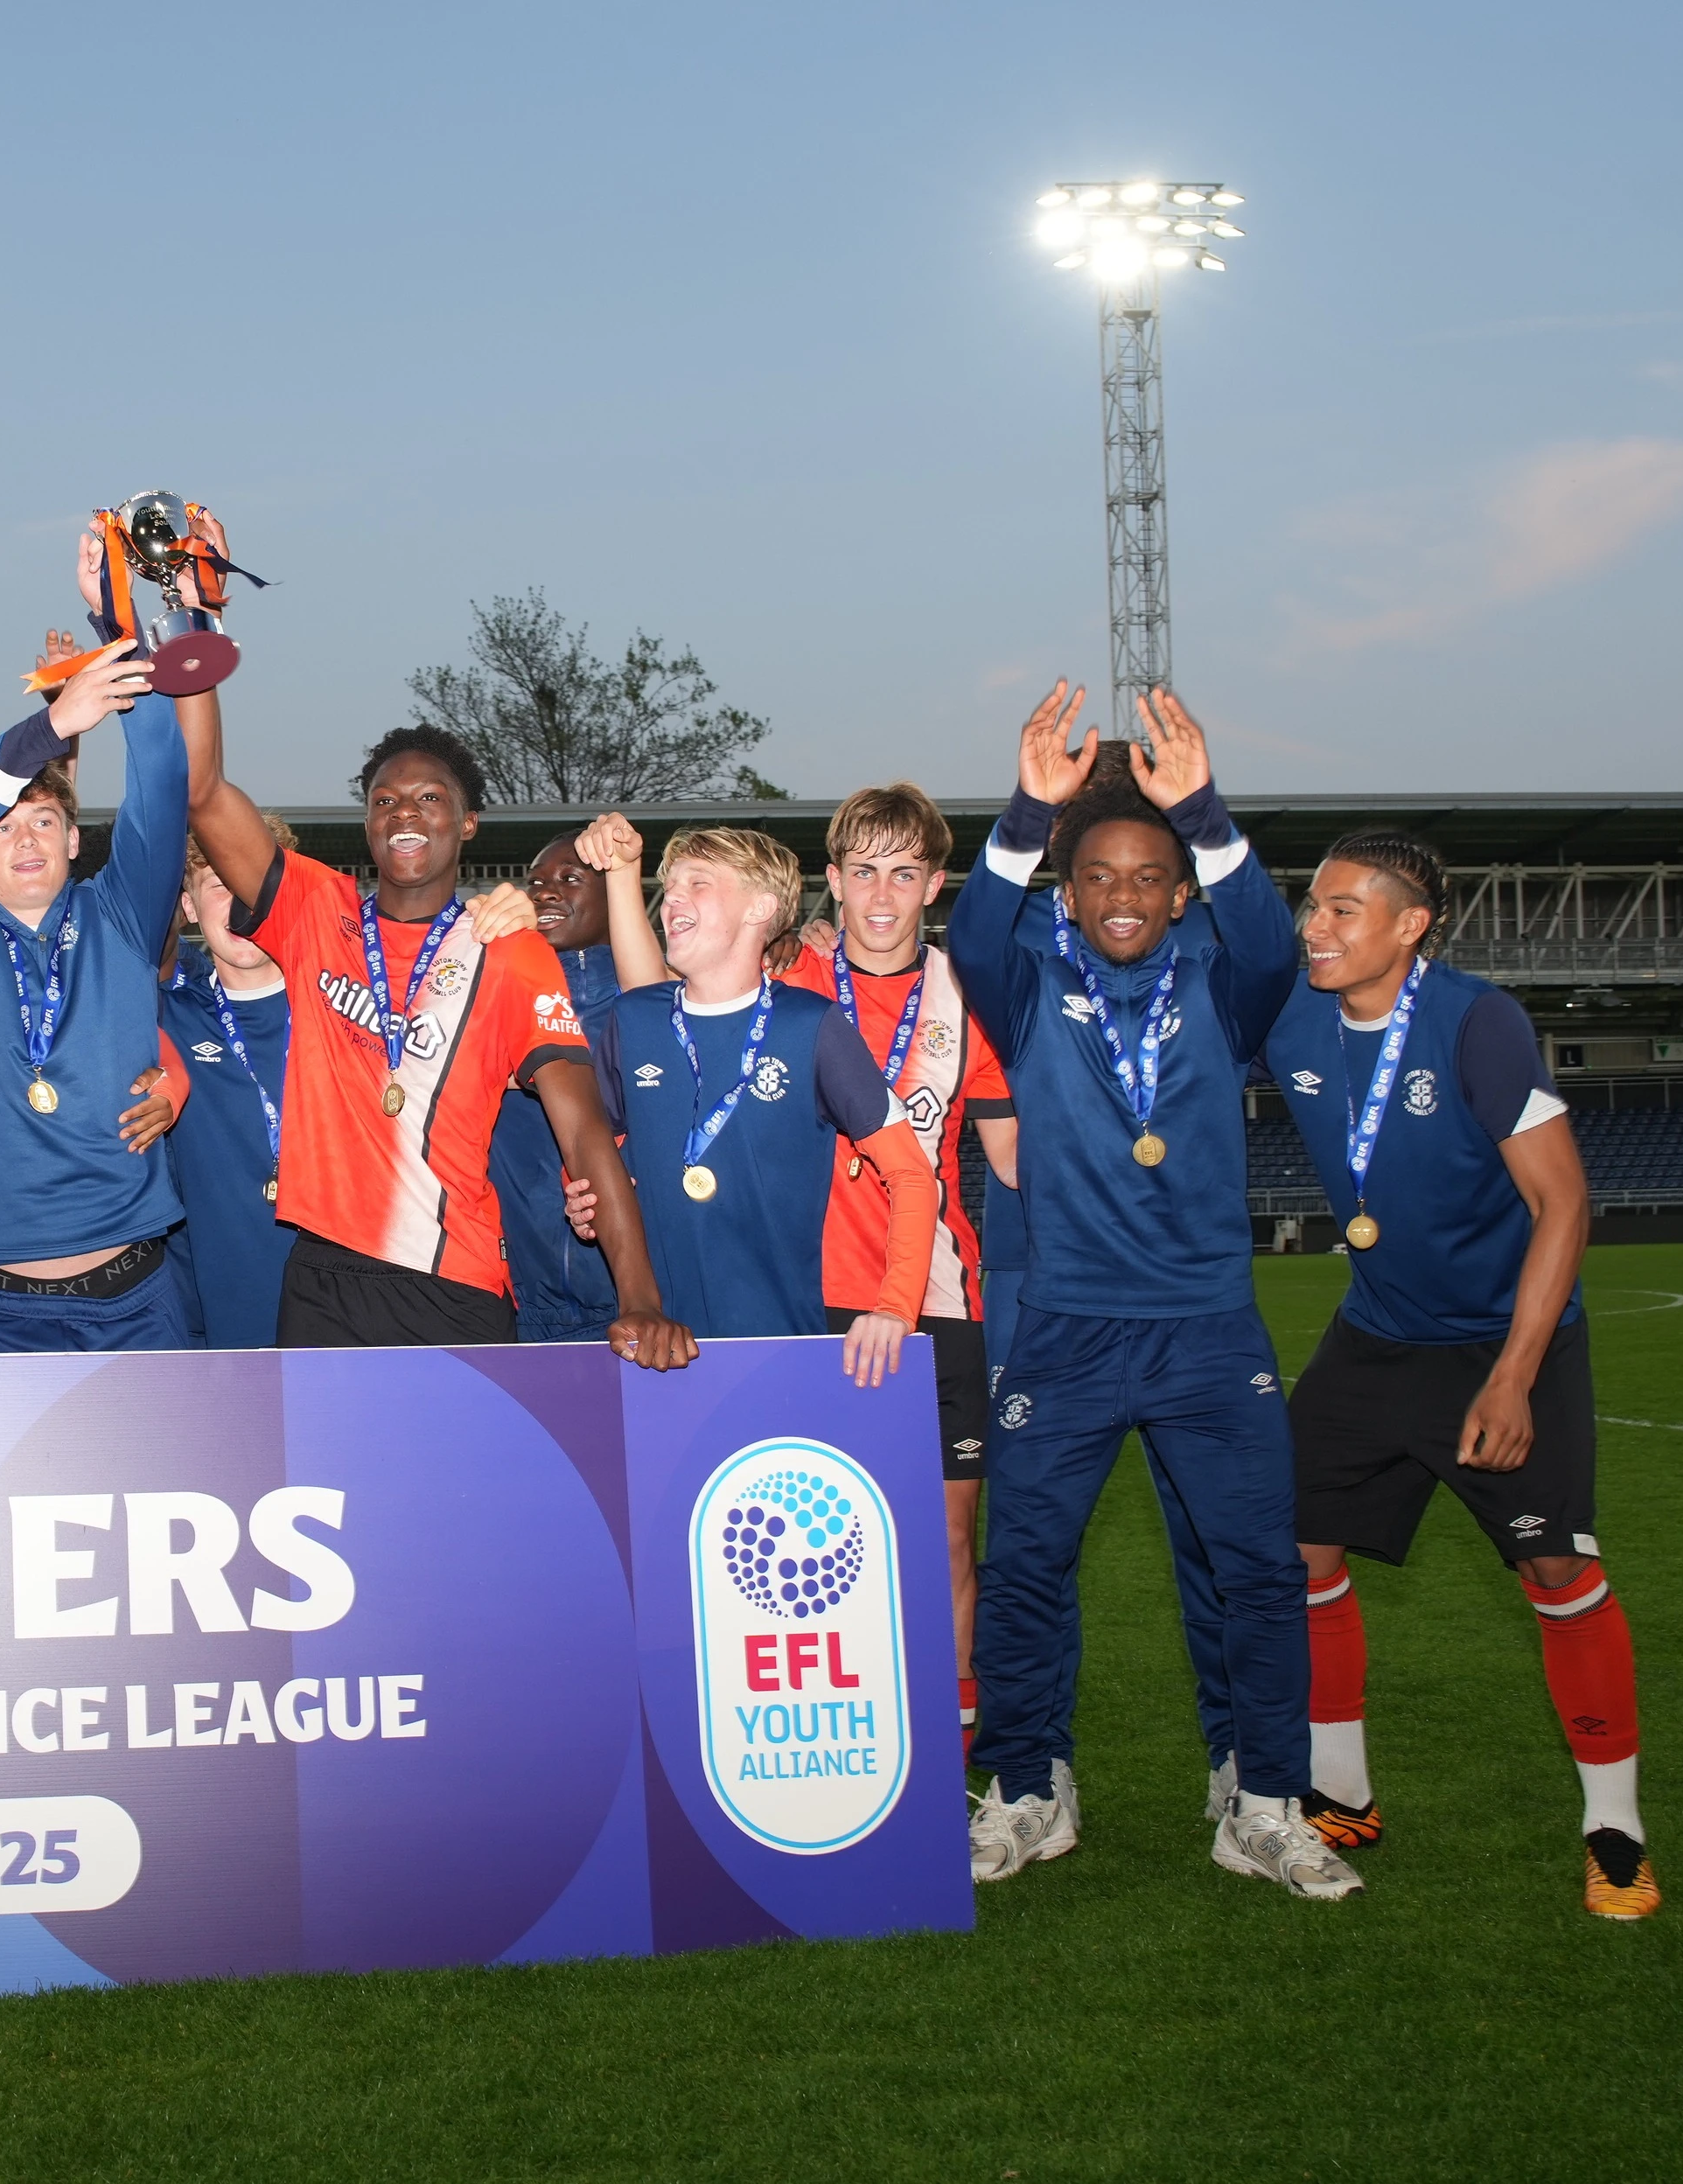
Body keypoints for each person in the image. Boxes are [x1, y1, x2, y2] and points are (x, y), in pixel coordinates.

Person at [953, 682, 1357, 1901]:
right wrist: (1032, 805)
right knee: (1026, 1565)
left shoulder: (1223, 981)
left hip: (1203, 1330)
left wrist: (1203, 807)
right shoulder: (1025, 977)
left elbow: (1279, 947)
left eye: (1147, 877)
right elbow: (973, 931)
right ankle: (1029, 1787)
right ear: (1067, 893)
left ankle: (1263, 1798)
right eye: (1100, 877)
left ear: (1178, 893)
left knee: (1253, 1568)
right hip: (1069, 1327)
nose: (1123, 896)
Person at [1264, 832, 1653, 1918]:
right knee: (1294, 1542)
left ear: (1408, 924)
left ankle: (1613, 1827)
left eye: (1344, 910)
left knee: (1556, 1575)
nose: (1316, 928)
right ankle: (1339, 1794)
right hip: (1376, 1333)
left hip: (1499, 1343)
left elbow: (1563, 1203)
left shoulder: (1476, 1021)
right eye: (1313, 907)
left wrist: (1513, 1376)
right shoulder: (1291, 1011)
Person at [180, 687, 692, 1367]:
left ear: (467, 822)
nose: (404, 814)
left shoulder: (507, 949)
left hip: (452, 1282)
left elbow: (583, 1129)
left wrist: (640, 1299)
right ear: (366, 823)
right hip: (321, 1281)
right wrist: (193, 657)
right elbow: (204, 791)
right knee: (322, 1476)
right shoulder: (314, 910)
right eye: (384, 801)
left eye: (429, 798)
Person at [0, 522, 199, 1355]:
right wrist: (49, 724)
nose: (23, 839)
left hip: (140, 1292)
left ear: (73, 837)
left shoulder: (121, 913)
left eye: (44, 819)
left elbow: (164, 780)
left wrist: (118, 627)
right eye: (1, 824)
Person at [790, 785, 1019, 1758]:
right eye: (863, 871)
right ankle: (825, 1739)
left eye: (904, 872)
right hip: (800, 1301)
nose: (882, 895)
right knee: (806, 1541)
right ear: (832, 881)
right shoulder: (780, 970)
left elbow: (1015, 1161)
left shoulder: (970, 992)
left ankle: (946, 1756)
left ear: (932, 882)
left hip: (932, 1299)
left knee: (943, 1540)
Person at [577, 822, 937, 1381]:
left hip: (779, 1351)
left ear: (760, 908)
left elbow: (913, 1175)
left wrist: (895, 1309)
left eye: (698, 883)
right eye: (670, 885)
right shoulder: (633, 1019)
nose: (673, 897)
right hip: (651, 1348)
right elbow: (596, 1150)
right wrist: (584, 1199)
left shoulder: (813, 1025)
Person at [161, 824, 297, 1350]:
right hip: (213, 1333)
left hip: (343, 1321)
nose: (239, 903)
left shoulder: (344, 1010)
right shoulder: (162, 1021)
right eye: (218, 885)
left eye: (254, 884)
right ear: (189, 906)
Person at [490, 829, 625, 1344]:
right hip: (519, 1308)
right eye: (536, 883)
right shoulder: (491, 998)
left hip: (627, 1307)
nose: (545, 892)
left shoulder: (648, 1003)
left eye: (570, 879)